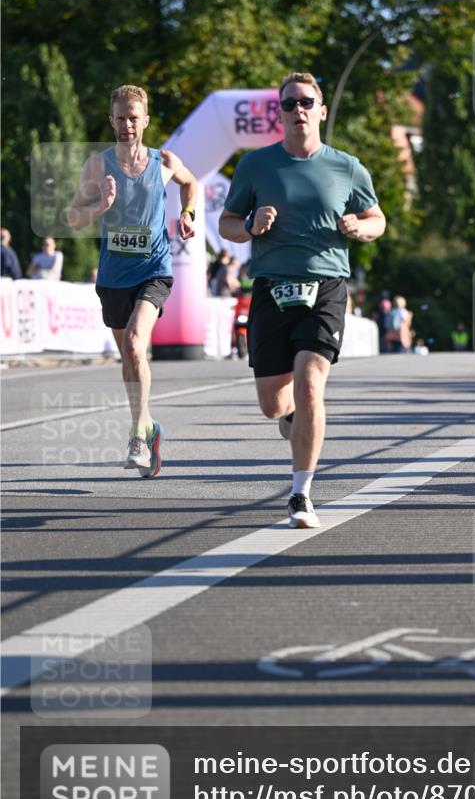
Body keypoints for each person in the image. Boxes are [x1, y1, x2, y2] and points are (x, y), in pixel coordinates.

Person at [219, 70, 385, 528]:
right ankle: (292, 417)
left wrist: (359, 228)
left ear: (321, 110)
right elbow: (227, 223)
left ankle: (300, 494)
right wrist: (251, 225)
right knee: (274, 404)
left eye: (306, 103)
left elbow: (378, 219)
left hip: (326, 286)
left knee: (310, 380)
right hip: (272, 288)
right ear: (280, 112)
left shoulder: (347, 166)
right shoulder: (256, 165)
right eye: (289, 104)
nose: (298, 110)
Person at [68, 83, 197, 476]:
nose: (127, 125)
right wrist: (100, 205)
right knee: (128, 355)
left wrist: (187, 214)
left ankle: (138, 437)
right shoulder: (97, 165)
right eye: (120, 118)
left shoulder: (165, 161)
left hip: (153, 270)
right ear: (111, 120)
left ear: (146, 120)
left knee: (137, 345)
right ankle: (150, 426)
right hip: (113, 275)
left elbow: (192, 184)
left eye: (133, 118)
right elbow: (73, 218)